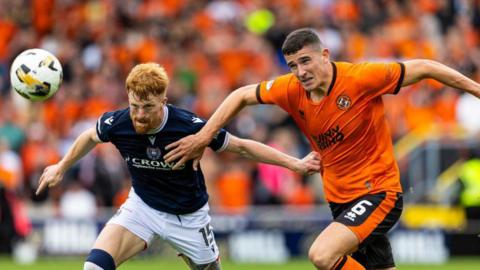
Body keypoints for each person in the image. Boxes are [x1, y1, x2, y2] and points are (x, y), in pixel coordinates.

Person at [164, 28, 480, 270]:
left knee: (322, 254)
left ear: (324, 55)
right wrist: (204, 137)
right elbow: (241, 96)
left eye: (305, 61)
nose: (300, 72)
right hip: (340, 199)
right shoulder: (291, 89)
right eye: (292, 65)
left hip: (378, 192)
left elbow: (424, 66)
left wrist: (476, 89)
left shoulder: (360, 78)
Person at [35, 63, 321, 270]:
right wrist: (61, 166)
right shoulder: (119, 122)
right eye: (135, 105)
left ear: (163, 101)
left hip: (189, 216)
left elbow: (242, 146)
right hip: (142, 207)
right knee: (94, 267)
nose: (139, 114)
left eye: (148, 106)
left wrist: (294, 163)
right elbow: (89, 136)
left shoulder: (188, 126)